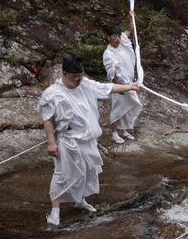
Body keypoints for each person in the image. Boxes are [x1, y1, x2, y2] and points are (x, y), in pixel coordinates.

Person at [38, 53, 140, 226]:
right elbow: (47, 119)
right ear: (64, 74)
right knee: (62, 175)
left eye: (80, 76)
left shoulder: (85, 84)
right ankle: (55, 210)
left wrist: (130, 87)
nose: (78, 80)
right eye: (74, 77)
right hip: (68, 141)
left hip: (89, 140)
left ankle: (80, 200)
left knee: (86, 172)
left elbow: (107, 88)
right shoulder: (52, 94)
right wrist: (51, 143)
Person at [101, 18, 143, 145]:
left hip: (129, 82)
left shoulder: (123, 44)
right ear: (109, 37)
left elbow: (128, 30)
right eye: (115, 36)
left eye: (119, 36)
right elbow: (112, 72)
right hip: (118, 85)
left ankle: (123, 130)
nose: (118, 38)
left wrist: (131, 16)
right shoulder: (108, 53)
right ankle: (114, 133)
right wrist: (120, 88)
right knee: (118, 108)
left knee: (131, 105)